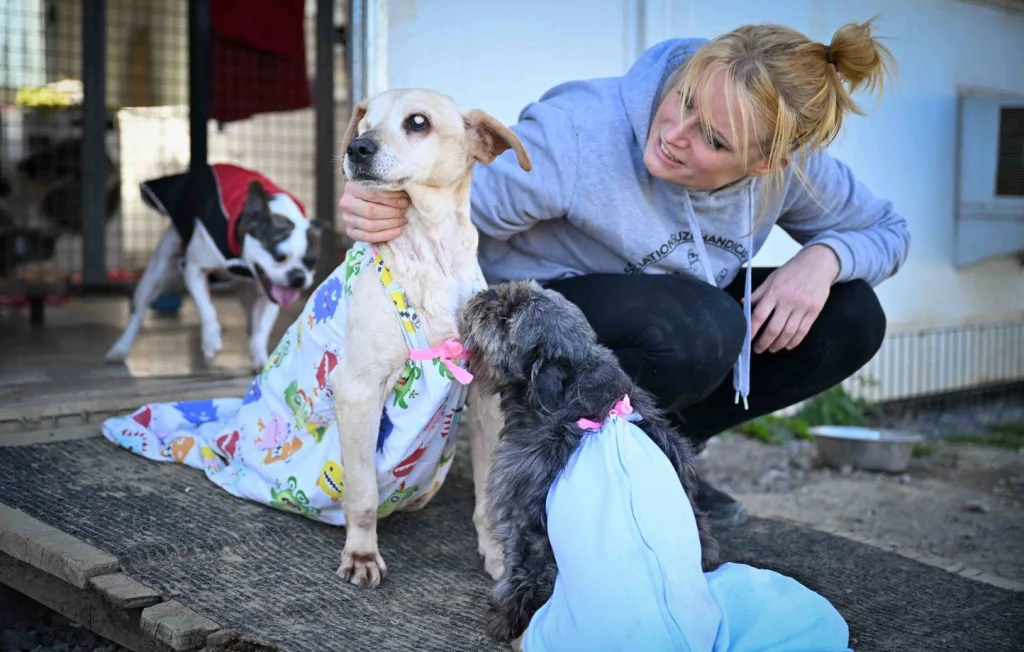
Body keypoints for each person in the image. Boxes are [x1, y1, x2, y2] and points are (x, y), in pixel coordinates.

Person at [338, 20, 909, 527]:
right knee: (698, 325)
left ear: (767, 163)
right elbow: (449, 196)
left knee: (850, 315)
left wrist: (824, 259)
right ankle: (556, 469)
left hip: (664, 316)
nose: (675, 133)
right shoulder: (579, 133)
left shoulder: (791, 171)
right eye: (683, 98)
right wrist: (370, 206)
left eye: (712, 138)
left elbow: (887, 229)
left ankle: (659, 458)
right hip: (533, 312)